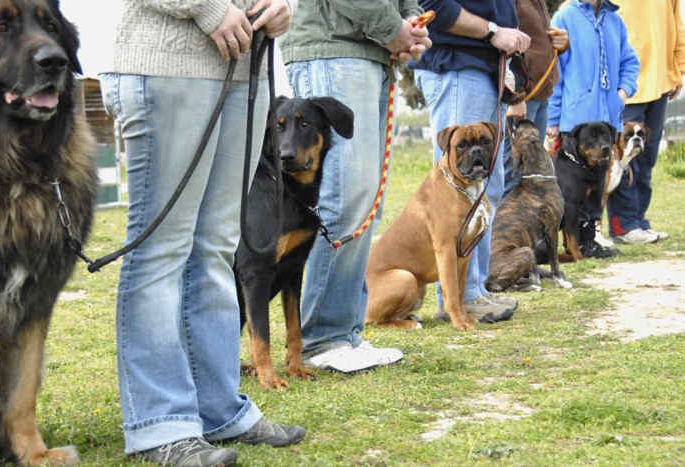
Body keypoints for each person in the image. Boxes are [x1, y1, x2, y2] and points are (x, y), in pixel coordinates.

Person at [100, 1, 305, 465]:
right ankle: (160, 424)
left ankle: (218, 408)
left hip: (244, 74)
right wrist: (209, 8)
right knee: (161, 251)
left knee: (215, 250)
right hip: (170, 64)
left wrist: (282, 7)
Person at [278, 1, 431, 374]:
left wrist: (410, 19)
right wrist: (391, 27)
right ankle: (321, 337)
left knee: (363, 200)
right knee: (344, 197)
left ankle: (343, 332)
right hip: (334, 47)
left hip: (370, 50)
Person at [409, 1, 530, 324]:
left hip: (484, 65)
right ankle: (460, 300)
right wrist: (494, 31)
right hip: (459, 64)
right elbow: (433, 5)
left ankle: (472, 290)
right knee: (455, 195)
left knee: (484, 190)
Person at [546, 0, 640, 258]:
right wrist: (553, 120)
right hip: (575, 126)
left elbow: (630, 62)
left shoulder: (615, 21)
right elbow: (555, 71)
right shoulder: (564, 16)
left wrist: (622, 93)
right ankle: (567, 245)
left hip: (608, 121)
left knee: (598, 188)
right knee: (573, 191)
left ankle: (589, 240)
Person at [606, 0, 685, 244]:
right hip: (627, 86)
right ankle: (623, 225)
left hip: (660, 80)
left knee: (648, 157)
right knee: (626, 161)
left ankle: (639, 221)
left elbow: (677, 25)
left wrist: (679, 68)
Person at [502, 0, 569, 197]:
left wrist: (561, 42)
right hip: (523, 97)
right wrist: (516, 96)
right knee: (513, 173)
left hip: (541, 95)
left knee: (530, 172)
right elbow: (503, 44)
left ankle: (522, 227)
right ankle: (503, 228)